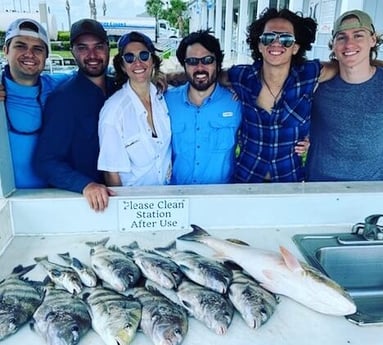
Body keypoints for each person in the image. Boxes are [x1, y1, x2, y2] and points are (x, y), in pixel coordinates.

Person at [227, 8, 336, 183]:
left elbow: (348, 66)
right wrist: (169, 78)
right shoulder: (241, 77)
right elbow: (205, 74)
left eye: (286, 39)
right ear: (260, 45)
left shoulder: (309, 75)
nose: (276, 43)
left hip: (289, 182)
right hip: (246, 180)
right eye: (269, 37)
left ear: (295, 48)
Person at [34, 19, 117, 211]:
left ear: (108, 48)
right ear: (72, 51)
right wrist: (84, 185)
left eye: (98, 47)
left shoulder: (120, 88)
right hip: (87, 203)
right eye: (83, 48)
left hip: (126, 196)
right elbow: (46, 161)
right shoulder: (63, 99)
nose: (92, 55)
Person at [306, 10, 383, 181]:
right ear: (333, 45)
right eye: (341, 37)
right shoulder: (317, 83)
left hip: (372, 192)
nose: (349, 44)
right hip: (319, 188)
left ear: (373, 40)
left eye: (358, 35)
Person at [165, 30, 242, 184]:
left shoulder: (237, 103)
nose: (200, 67)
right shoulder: (165, 102)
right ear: (184, 65)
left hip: (220, 199)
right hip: (177, 198)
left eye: (207, 60)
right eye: (192, 61)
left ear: (218, 63)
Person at [97, 31, 171, 186]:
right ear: (123, 66)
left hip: (167, 198)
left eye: (144, 56)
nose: (138, 63)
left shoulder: (162, 97)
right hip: (134, 203)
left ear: (153, 61)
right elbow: (111, 173)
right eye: (129, 58)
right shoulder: (114, 111)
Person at [2, 18, 69, 188]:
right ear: (5, 51)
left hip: (49, 199)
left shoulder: (57, 85)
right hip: (7, 203)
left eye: (37, 49)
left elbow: (94, 74)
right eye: (20, 46)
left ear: (46, 57)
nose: (29, 54)